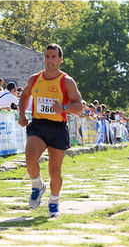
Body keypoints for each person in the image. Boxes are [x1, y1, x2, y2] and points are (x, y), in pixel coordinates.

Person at [18, 43, 83, 217]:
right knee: (30, 159)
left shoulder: (66, 81)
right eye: (47, 56)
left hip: (58, 127)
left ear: (60, 60)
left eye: (54, 57)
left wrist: (63, 107)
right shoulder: (35, 79)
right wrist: (22, 114)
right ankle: (37, 186)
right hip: (38, 125)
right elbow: (24, 96)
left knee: (55, 171)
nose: (50, 60)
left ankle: (54, 202)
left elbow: (79, 106)